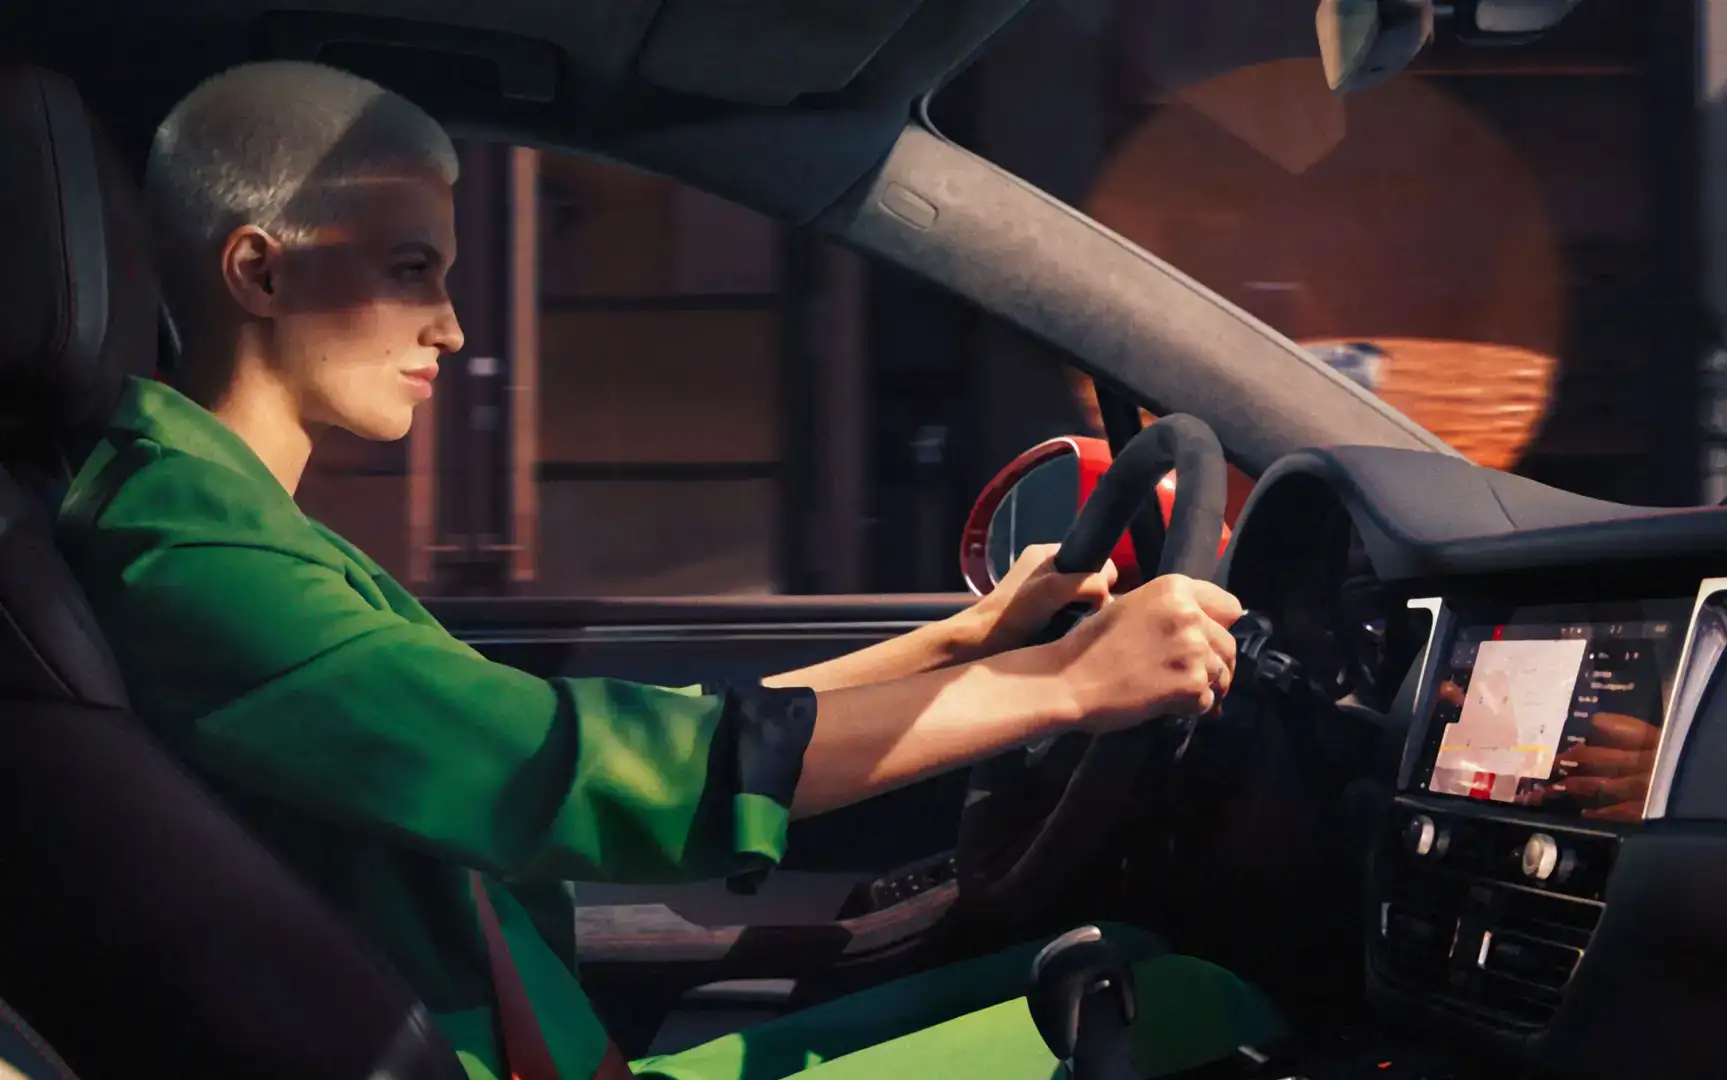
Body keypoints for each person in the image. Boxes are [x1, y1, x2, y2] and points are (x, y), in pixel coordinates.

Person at [56, 61, 1279, 1080]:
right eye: (412, 270)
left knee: (1117, 973)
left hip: (528, 1044)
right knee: (1186, 1011)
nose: (454, 327)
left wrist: (965, 643)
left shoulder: (226, 517)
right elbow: (567, 769)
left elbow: (599, 736)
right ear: (262, 272)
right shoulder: (184, 549)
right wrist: (1065, 686)